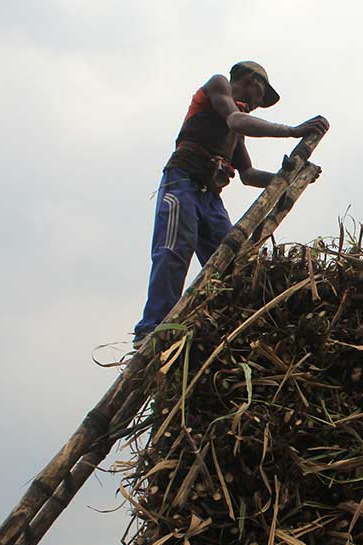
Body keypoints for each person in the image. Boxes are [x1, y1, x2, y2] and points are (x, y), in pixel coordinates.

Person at [134, 61, 329, 345]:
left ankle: (219, 330)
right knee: (174, 251)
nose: (259, 102)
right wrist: (291, 131)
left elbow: (248, 175)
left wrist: (292, 176)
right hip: (183, 182)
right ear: (251, 80)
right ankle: (152, 329)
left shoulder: (234, 130)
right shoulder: (218, 87)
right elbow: (237, 121)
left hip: (209, 198)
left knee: (232, 264)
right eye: (261, 93)